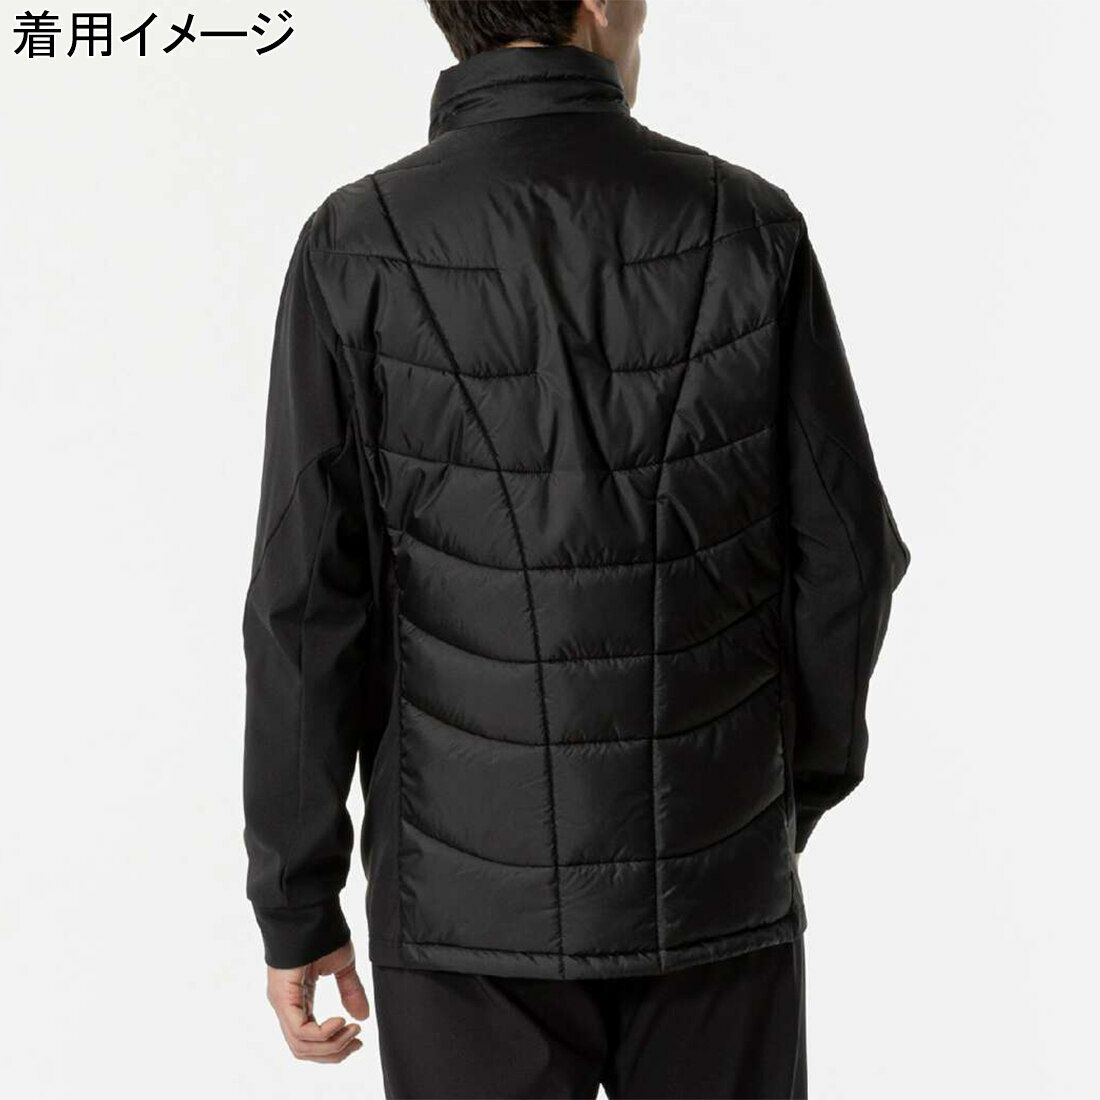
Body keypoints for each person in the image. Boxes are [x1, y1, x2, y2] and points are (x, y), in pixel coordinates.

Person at [241, 1, 909, 1096]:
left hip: (459, 902)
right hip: (710, 876)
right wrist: (780, 797)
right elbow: (846, 554)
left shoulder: (358, 240)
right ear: (596, 6)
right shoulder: (744, 224)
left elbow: (308, 599)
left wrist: (296, 896)